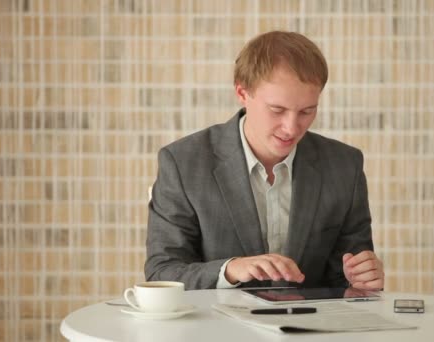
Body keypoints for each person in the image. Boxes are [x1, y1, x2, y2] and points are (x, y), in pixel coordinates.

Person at [145, 31, 384, 291]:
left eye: (307, 111)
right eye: (277, 110)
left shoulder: (344, 166)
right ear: (242, 92)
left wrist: (360, 279)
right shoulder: (182, 163)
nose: (292, 128)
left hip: (312, 329)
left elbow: (347, 283)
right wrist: (231, 270)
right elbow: (162, 273)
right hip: (214, 329)